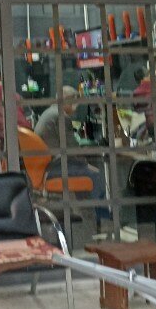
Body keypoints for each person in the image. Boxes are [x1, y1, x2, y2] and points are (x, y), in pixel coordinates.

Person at [34, 86, 109, 222]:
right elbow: (72, 149)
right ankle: (102, 217)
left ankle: (90, 217)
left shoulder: (49, 113)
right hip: (56, 166)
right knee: (95, 174)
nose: (76, 107)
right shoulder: (61, 116)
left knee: (85, 172)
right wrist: (86, 162)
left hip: (46, 167)